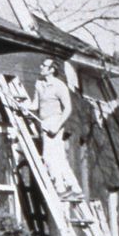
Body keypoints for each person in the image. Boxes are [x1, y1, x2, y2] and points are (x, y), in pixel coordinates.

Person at [25, 59, 84, 202]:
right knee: (59, 159)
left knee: (48, 157)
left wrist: (57, 126)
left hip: (55, 122)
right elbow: (35, 104)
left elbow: (68, 109)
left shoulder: (59, 86)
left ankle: (61, 189)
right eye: (42, 64)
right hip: (44, 122)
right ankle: (76, 189)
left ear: (52, 69)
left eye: (44, 65)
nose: (41, 67)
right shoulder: (39, 84)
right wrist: (24, 106)